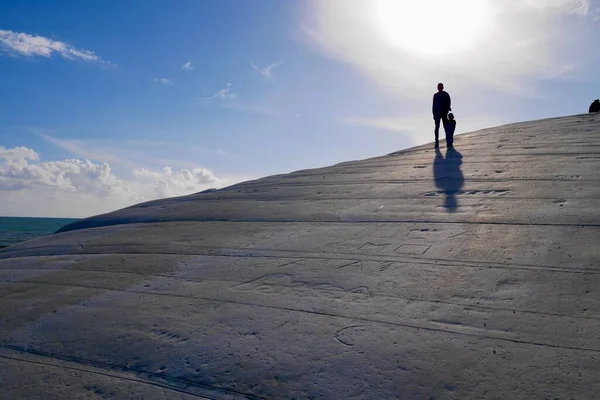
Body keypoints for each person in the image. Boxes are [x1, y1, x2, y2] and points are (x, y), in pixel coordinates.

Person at [432, 83, 451, 148]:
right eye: (439, 87)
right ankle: (436, 142)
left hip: (443, 113)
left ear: (442, 87)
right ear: (437, 88)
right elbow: (433, 105)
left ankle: (448, 141)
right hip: (437, 114)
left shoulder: (445, 94)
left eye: (441, 87)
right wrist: (434, 114)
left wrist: (447, 109)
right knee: (437, 128)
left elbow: (448, 102)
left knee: (446, 127)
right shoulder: (435, 95)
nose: (439, 88)